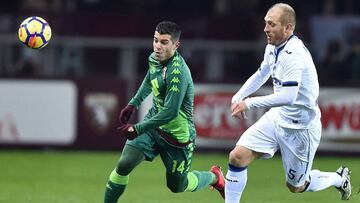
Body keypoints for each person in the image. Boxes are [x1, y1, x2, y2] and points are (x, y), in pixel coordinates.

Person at [225, 3, 352, 203]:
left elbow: (288, 97)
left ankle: (338, 178)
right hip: (278, 118)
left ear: (288, 28)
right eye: (266, 23)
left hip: (300, 129)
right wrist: (238, 96)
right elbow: (261, 74)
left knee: (296, 186)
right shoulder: (272, 48)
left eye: (272, 24)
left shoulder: (294, 55)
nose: (266, 29)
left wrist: (249, 103)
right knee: (237, 156)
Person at [103, 21, 225, 203]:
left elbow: (170, 112)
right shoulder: (155, 57)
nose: (158, 46)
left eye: (164, 42)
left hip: (177, 137)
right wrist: (134, 103)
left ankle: (215, 177)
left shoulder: (178, 72)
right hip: (153, 127)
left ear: (176, 45)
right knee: (124, 164)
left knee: (178, 186)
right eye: (155, 40)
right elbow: (150, 77)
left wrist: (137, 128)